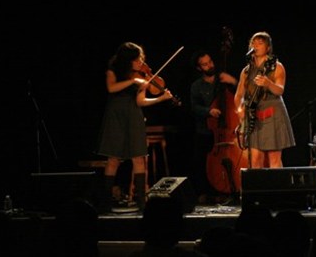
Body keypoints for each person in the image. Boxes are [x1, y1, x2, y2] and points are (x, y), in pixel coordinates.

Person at [95, 42, 174, 213]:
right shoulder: (113, 71)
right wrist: (133, 81)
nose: (141, 63)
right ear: (127, 60)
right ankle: (105, 202)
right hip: (116, 116)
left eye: (141, 59)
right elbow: (111, 88)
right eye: (137, 60)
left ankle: (141, 203)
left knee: (139, 158)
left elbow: (140, 101)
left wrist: (161, 98)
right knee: (113, 159)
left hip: (134, 115)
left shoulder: (140, 77)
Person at [233, 31, 296, 168]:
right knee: (255, 159)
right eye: (253, 43)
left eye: (260, 43)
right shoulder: (246, 71)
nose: (255, 45)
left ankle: (277, 188)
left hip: (273, 113)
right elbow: (238, 95)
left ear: (268, 48)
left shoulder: (277, 67)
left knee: (274, 159)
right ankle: (259, 189)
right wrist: (240, 110)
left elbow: (280, 90)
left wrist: (268, 83)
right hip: (254, 116)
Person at [189, 49, 239, 203]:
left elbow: (243, 96)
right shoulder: (196, 86)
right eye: (204, 64)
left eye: (210, 61)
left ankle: (233, 190)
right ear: (199, 68)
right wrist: (209, 111)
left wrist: (235, 82)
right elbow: (194, 107)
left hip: (229, 131)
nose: (209, 65)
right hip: (207, 130)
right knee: (204, 164)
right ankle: (208, 194)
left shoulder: (223, 80)